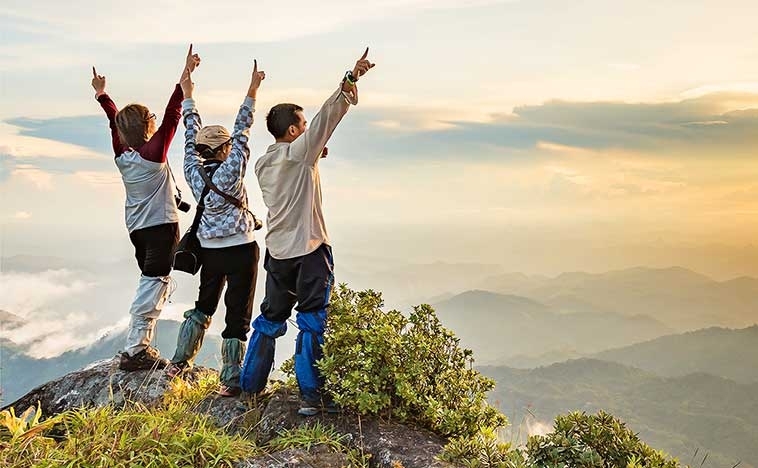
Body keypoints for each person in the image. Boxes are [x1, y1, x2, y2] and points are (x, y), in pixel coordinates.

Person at [240, 48, 375, 414]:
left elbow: (301, 155)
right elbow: (326, 120)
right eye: (301, 125)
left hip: (278, 253)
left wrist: (314, 154)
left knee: (269, 319)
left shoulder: (264, 163)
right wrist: (350, 80)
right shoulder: (300, 154)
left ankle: (249, 385)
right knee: (313, 322)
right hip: (310, 249)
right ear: (293, 130)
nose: (306, 128)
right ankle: (311, 397)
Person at [92, 45, 200, 371]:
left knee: (153, 280)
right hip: (161, 228)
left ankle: (140, 347)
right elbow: (173, 114)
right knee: (154, 283)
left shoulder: (121, 154)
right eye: (150, 118)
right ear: (147, 127)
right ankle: (136, 350)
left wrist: (102, 95)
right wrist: (186, 76)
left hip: (137, 229)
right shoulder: (153, 156)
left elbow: (114, 120)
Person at [166, 59, 266, 397]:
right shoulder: (232, 169)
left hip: (210, 251)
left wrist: (188, 93)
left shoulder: (192, 171)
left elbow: (189, 131)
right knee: (237, 312)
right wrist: (252, 90)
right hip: (241, 249)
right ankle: (230, 379)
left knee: (204, 304)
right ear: (225, 149)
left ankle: (180, 361)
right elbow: (243, 130)